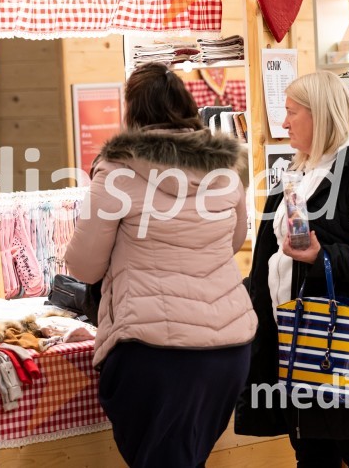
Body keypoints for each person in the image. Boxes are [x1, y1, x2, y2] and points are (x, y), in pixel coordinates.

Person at [64, 62, 257, 468]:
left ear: (133, 112)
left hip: (155, 354)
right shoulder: (224, 169)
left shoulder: (118, 170)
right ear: (187, 105)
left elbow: (84, 267)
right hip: (228, 349)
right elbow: (233, 241)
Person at [234, 71, 349, 467]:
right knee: (313, 450)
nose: (283, 123)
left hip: (341, 345)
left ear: (321, 116)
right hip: (302, 342)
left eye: (291, 113)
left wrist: (323, 259)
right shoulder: (302, 173)